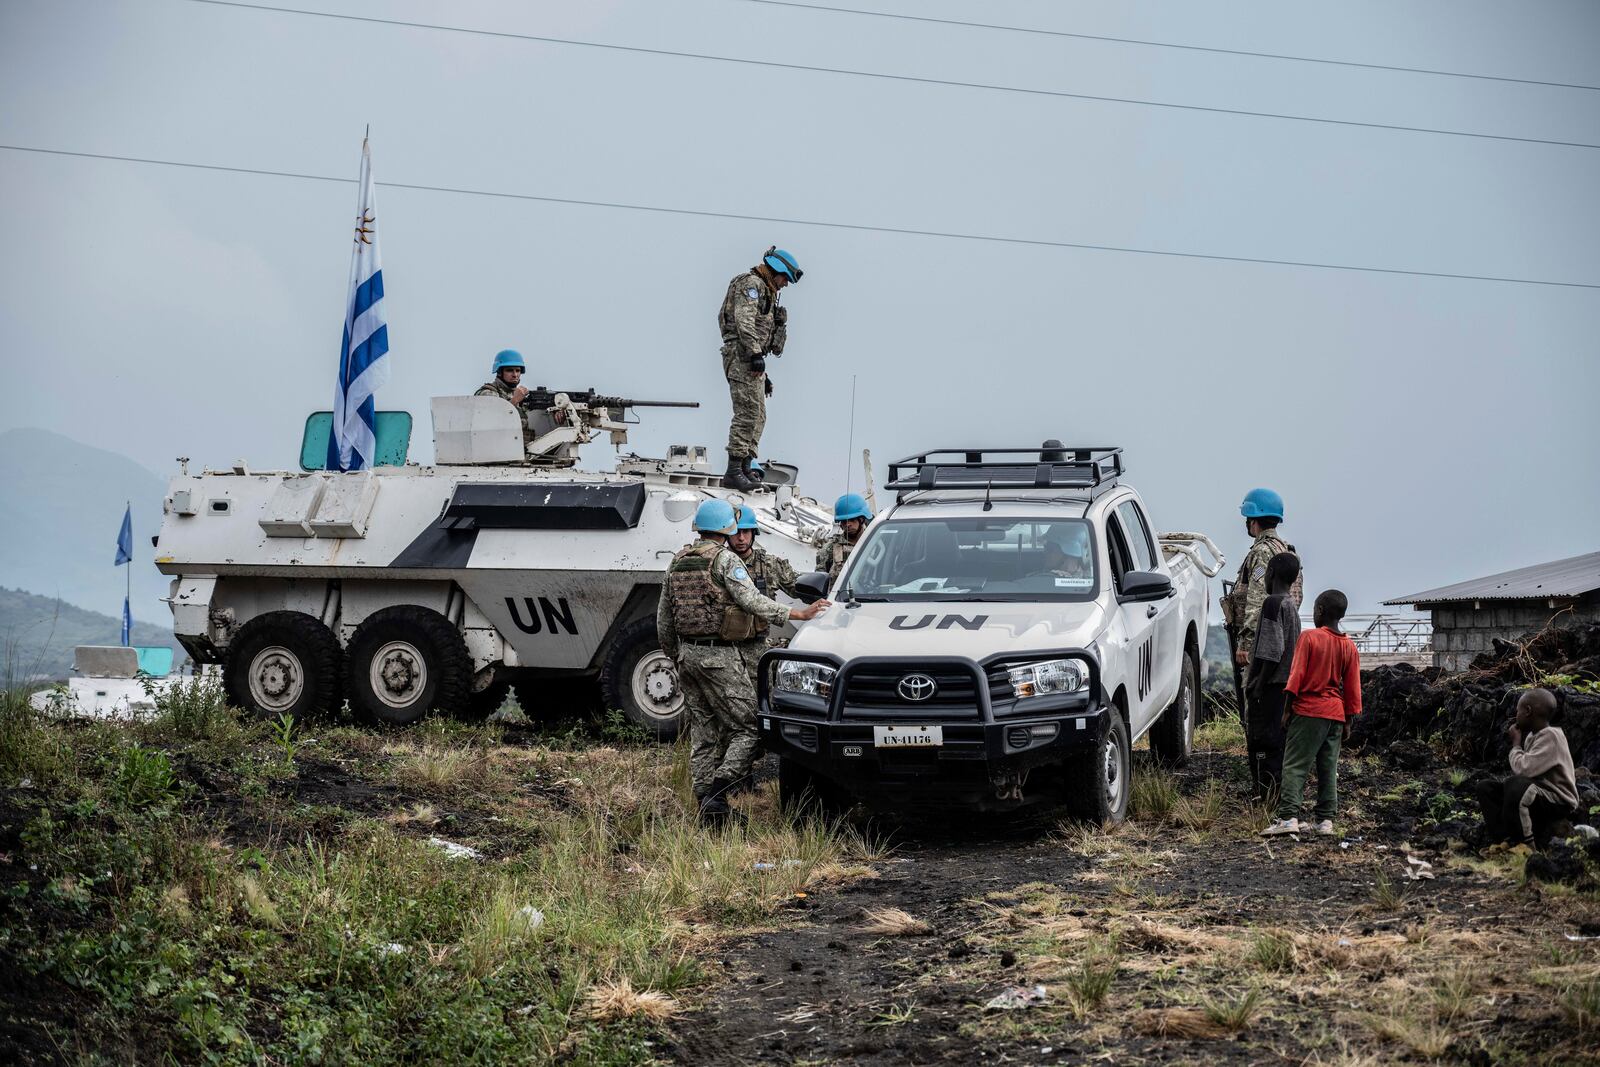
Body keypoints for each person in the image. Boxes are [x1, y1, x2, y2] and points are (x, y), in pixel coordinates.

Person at [657, 498, 830, 823]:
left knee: (704, 732)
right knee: (749, 726)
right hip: (718, 657)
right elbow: (750, 599)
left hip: (686, 656)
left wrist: (674, 653)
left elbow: (663, 618)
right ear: (727, 528)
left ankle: (707, 809)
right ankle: (718, 797)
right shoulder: (724, 560)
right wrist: (796, 613)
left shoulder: (678, 560)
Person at [1261, 589, 1361, 838]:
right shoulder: (1349, 646)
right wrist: (1348, 721)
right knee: (1328, 767)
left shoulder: (1309, 638)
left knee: (1294, 765)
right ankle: (1325, 821)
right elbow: (1352, 689)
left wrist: (1286, 710)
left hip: (1308, 711)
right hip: (1335, 715)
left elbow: (1296, 677)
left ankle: (1288, 818)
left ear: (1319, 611)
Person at [718, 247, 802, 491]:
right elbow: (744, 321)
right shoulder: (751, 285)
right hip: (742, 354)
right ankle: (733, 471)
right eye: (784, 278)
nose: (785, 284)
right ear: (775, 271)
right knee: (747, 413)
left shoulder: (767, 291)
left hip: (750, 357)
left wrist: (761, 366)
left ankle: (744, 465)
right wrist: (755, 354)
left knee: (758, 415)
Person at [1474, 688, 1578, 851]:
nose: (1516, 715)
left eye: (1518, 710)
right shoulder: (1532, 736)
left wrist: (1516, 744)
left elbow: (1524, 770)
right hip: (1537, 793)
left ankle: (1526, 848)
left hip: (1558, 799)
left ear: (1528, 711)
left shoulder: (1551, 736)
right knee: (1485, 788)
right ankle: (1505, 840)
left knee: (1516, 785)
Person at [1245, 553, 1303, 801]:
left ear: (1270, 574)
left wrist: (1258, 683)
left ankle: (1266, 794)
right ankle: (1275, 792)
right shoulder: (1291, 606)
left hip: (1271, 686)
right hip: (1286, 686)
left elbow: (1271, 650)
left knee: (1262, 741)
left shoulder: (1272, 603)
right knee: (1278, 742)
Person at [728, 504, 802, 687]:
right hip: (726, 649)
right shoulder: (719, 565)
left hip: (757, 647)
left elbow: (800, 587)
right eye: (736, 532)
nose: (741, 538)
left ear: (754, 534)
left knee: (762, 699)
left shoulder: (769, 565)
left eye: (746, 532)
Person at [475, 349, 534, 448]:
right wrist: (515, 401)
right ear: (499, 372)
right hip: (495, 449)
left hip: (522, 450)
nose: (515, 375)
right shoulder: (488, 393)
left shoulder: (521, 396)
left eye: (518, 370)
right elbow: (492, 420)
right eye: (509, 370)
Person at [817, 493, 872, 585]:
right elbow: (819, 581)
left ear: (862, 519)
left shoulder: (876, 542)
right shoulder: (830, 548)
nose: (847, 524)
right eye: (844, 521)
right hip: (839, 598)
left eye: (852, 520)